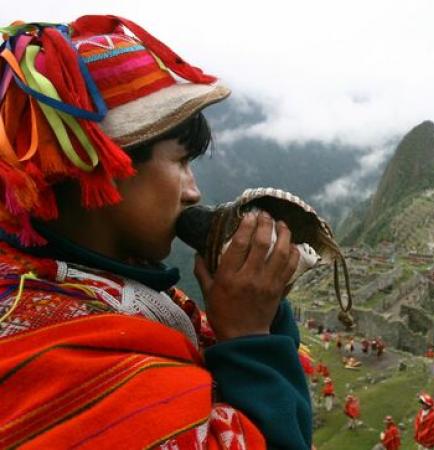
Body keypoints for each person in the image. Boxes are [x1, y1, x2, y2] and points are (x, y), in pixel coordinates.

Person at [0, 16, 311, 449]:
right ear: (108, 167)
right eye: (182, 162)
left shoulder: (51, 289)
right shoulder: (79, 374)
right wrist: (249, 339)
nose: (194, 191)